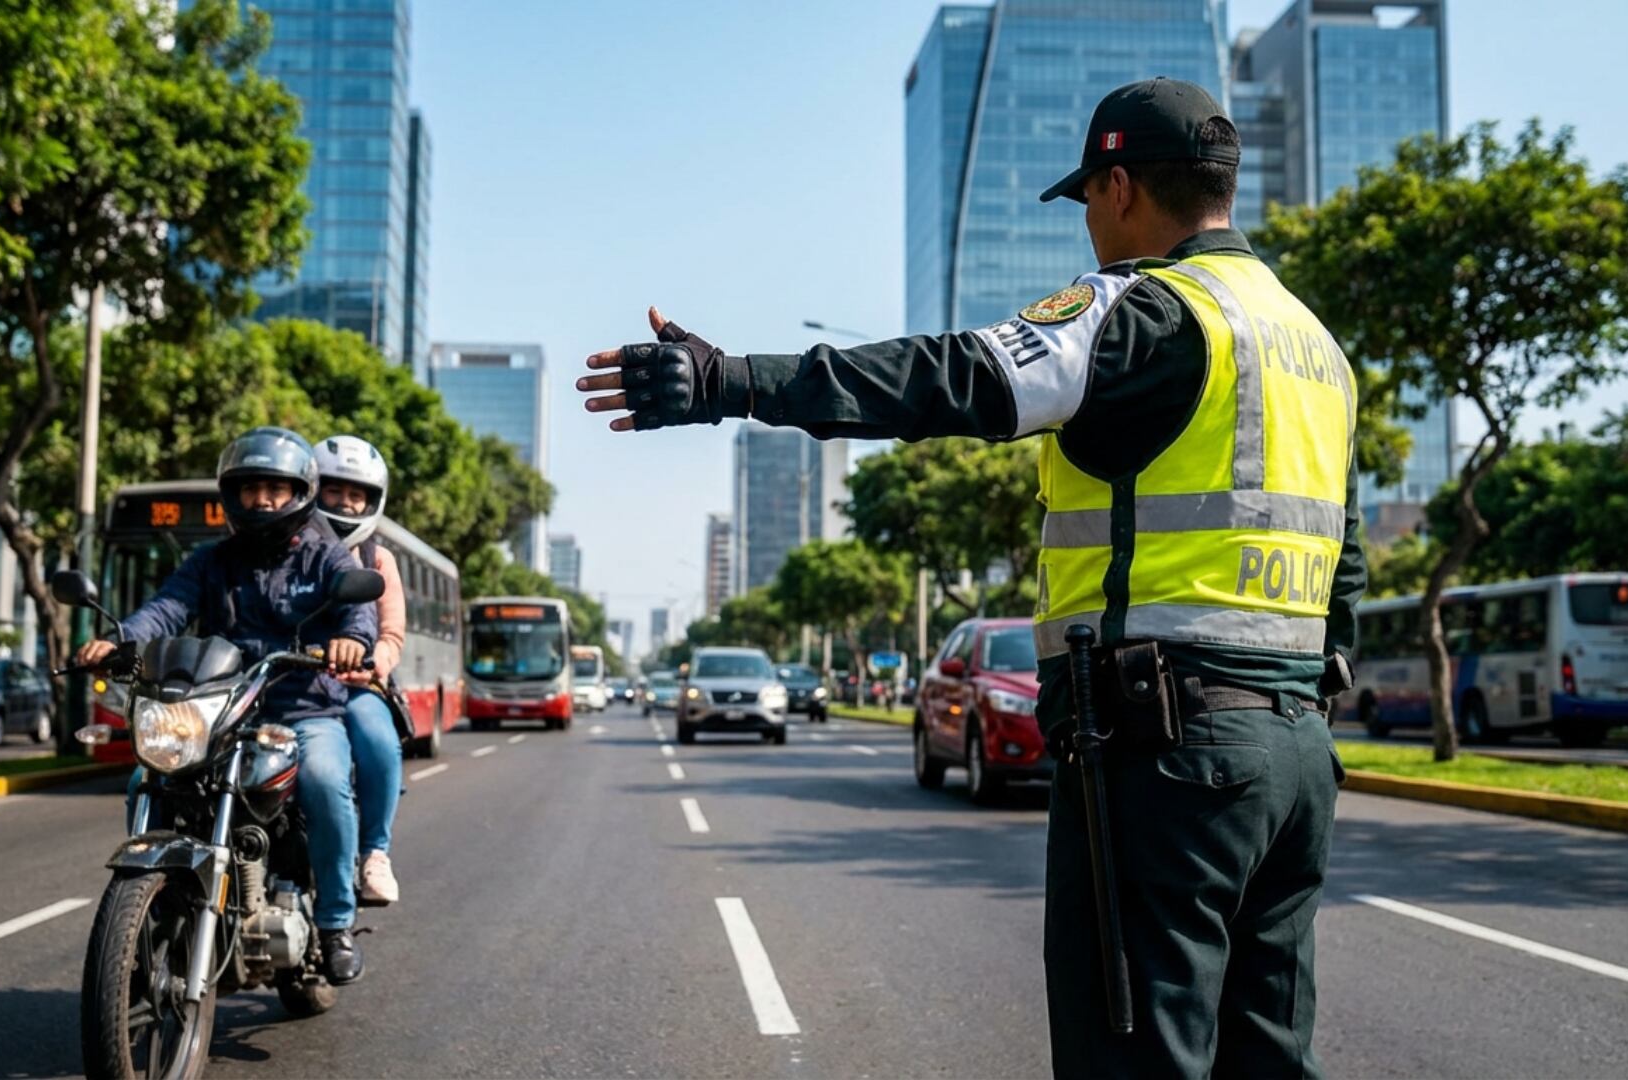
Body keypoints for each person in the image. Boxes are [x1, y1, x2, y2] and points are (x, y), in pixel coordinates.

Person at [575, 78, 1362, 1078]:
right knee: (1271, 1057)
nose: (1089, 226)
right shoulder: (1315, 346)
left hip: (1167, 753)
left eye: (1087, 200)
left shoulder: (1145, 311)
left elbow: (950, 375)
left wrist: (731, 380)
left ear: (1119, 186)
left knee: (1136, 1057)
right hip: (1297, 756)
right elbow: (1345, 562)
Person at [73, 427, 376, 986]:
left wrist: (352, 640)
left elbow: (358, 608)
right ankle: (158, 908)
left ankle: (336, 923)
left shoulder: (323, 555)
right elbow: (166, 609)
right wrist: (119, 642)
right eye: (250, 488)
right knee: (148, 779)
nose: (261, 500)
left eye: (274, 489)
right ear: (231, 495)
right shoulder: (211, 561)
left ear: (299, 493)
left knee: (326, 780)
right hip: (223, 711)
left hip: (304, 708)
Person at [312, 433, 406, 906]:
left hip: (355, 686)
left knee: (378, 741)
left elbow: (391, 635)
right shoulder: (286, 547)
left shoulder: (377, 559)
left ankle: (375, 853)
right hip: (287, 683)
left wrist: (371, 665)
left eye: (356, 494)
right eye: (334, 490)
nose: (345, 502)